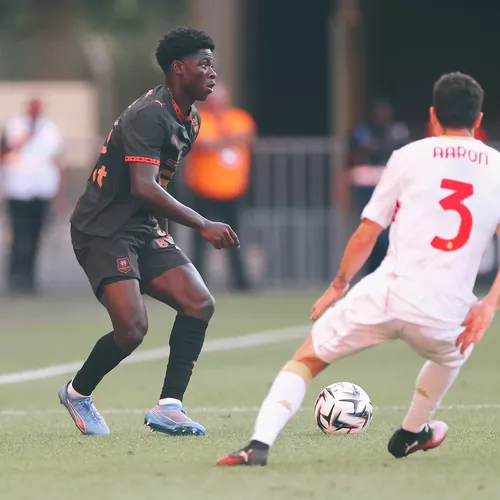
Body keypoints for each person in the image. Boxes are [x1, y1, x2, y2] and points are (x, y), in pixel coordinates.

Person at [217, 72, 500, 466]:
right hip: (447, 309)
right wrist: (488, 306)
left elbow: (368, 231)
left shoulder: (408, 156)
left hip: (388, 294)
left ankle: (259, 444)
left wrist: (339, 284)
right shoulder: (496, 167)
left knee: (307, 359)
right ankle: (412, 431)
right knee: (452, 355)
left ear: (433, 116)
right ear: (479, 118)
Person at [59, 27, 240, 437]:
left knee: (198, 302)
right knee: (132, 329)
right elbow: (144, 187)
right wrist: (203, 223)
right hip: (103, 229)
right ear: (179, 68)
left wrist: (165, 238)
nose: (212, 72)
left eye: (213, 64)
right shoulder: (149, 114)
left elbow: (160, 185)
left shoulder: (190, 119)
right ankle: (77, 392)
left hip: (141, 226)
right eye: (204, 64)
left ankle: (169, 408)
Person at [186, 82, 256, 290]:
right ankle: (196, 280)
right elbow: (202, 144)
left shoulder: (239, 118)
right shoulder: (197, 119)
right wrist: (231, 140)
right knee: (199, 240)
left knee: (235, 238)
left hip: (234, 190)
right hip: (203, 189)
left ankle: (240, 280)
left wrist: (220, 141)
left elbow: (248, 135)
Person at [0, 98, 65, 294]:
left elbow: (58, 161)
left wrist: (60, 196)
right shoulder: (13, 125)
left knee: (36, 234)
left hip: (42, 189)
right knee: (20, 234)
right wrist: (23, 139)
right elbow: (4, 153)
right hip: (18, 189)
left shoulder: (51, 129)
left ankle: (30, 277)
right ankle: (16, 275)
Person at [345, 100, 409, 274]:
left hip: (390, 184)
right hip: (366, 186)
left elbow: (397, 151)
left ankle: (391, 272)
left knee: (391, 232)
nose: (381, 116)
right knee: (369, 229)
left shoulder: (396, 130)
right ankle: (368, 272)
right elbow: (357, 155)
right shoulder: (362, 131)